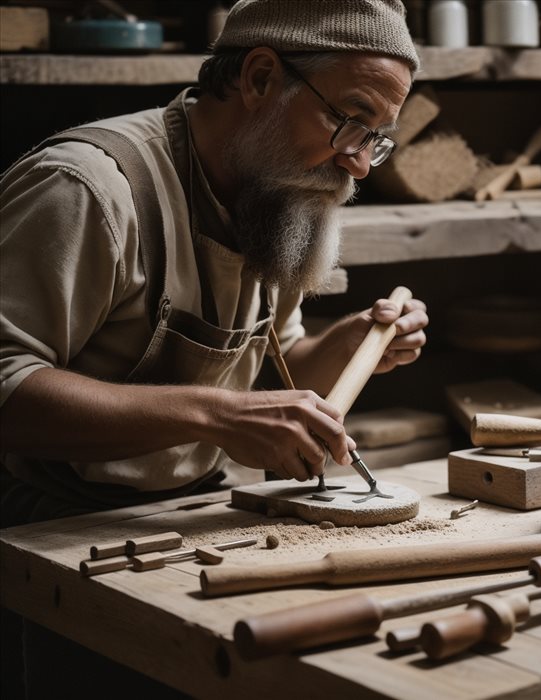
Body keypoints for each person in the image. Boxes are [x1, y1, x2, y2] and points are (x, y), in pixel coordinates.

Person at [0, 0, 428, 528]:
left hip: (192, 508)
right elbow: (6, 382)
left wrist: (351, 344)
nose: (358, 164)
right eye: (349, 120)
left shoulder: (276, 195)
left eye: (376, 139)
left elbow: (276, 363)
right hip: (44, 519)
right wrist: (215, 415)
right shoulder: (88, 189)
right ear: (261, 77)